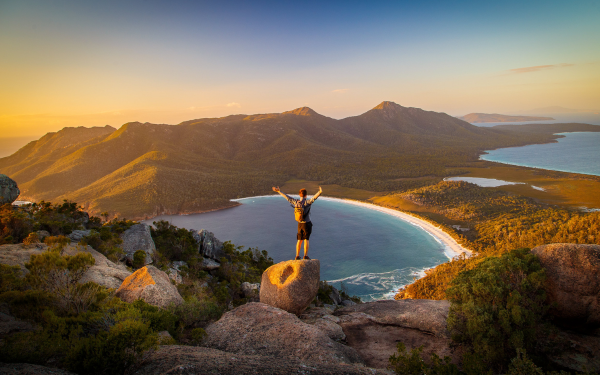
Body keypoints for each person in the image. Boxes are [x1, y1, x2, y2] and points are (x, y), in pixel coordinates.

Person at [272, 186, 322, 260]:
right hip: (307, 224)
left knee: (299, 240)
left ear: (299, 195)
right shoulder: (307, 203)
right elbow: (314, 198)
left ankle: (297, 256)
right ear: (306, 195)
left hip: (299, 224)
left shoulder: (296, 202)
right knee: (306, 239)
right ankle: (305, 256)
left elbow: (287, 197)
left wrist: (279, 191)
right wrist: (320, 192)